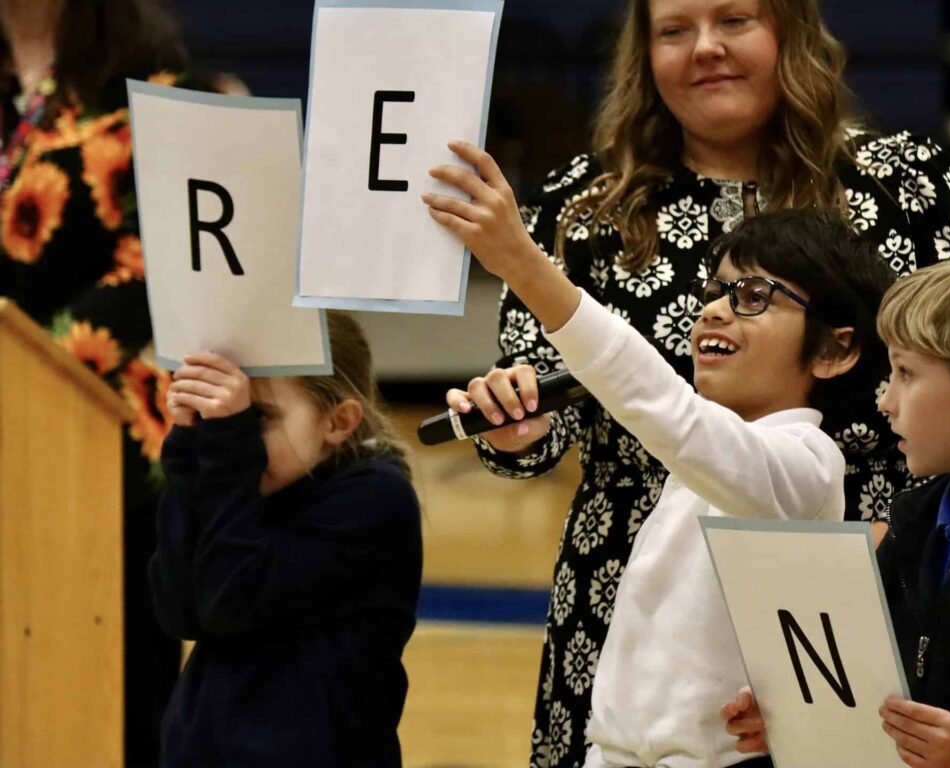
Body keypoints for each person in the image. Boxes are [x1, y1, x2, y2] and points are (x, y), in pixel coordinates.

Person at [439, 0, 950, 762]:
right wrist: (517, 429)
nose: (705, 48)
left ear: (791, 33)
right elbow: (547, 420)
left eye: (734, 19)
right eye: (673, 30)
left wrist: (899, 548)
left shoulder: (910, 184)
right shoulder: (583, 202)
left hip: (855, 592)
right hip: (630, 596)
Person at [425, 143, 894, 763]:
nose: (715, 311)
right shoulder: (695, 468)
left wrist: (522, 263)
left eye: (754, 297)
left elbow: (661, 406)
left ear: (835, 350)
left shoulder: (807, 466)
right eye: (717, 291)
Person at [721, 244, 950, 767]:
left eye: (906, 373)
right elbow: (863, 682)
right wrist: (798, 714)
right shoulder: (915, 523)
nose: (885, 400)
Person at [0, 0, 196, 762]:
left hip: (105, 426)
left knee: (126, 691)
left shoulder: (149, 79)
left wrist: (28, 365)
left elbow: (159, 255)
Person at [149, 310, 422, 767]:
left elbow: (230, 601)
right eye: (216, 411)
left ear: (338, 422)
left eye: (257, 417)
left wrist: (225, 450)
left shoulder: (375, 499)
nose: (230, 431)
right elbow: (178, 611)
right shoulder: (240, 479)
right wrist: (187, 451)